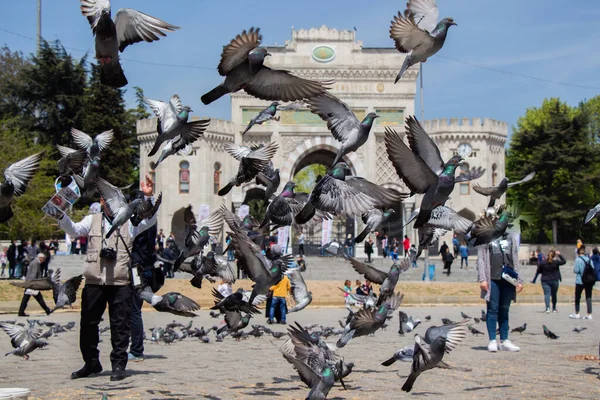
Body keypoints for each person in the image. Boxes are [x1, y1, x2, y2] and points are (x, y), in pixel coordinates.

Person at [59, 174, 156, 382]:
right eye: (106, 200)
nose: (111, 205)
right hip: (94, 281)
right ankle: (91, 363)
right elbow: (73, 230)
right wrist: (60, 214)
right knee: (88, 324)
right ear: (102, 201)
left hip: (120, 282)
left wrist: (149, 197)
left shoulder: (130, 223)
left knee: (120, 325)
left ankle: (119, 365)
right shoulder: (91, 220)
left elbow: (150, 221)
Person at [477, 233, 523, 353]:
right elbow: (481, 258)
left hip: (508, 277)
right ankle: (492, 340)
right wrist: (482, 278)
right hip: (492, 277)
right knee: (493, 309)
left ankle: (504, 340)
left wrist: (519, 279)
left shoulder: (509, 236)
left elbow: (515, 257)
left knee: (505, 309)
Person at [128, 196, 158, 364]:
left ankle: (136, 350)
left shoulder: (140, 225)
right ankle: (134, 347)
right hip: (146, 269)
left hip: (138, 270)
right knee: (133, 309)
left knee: (134, 310)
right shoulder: (151, 223)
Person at [570, 245, 595, 320]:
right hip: (588, 281)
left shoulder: (578, 259)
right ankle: (589, 314)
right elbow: (593, 268)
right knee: (588, 296)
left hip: (580, 280)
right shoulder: (589, 259)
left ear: (578, 252)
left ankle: (577, 313)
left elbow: (576, 270)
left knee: (577, 296)